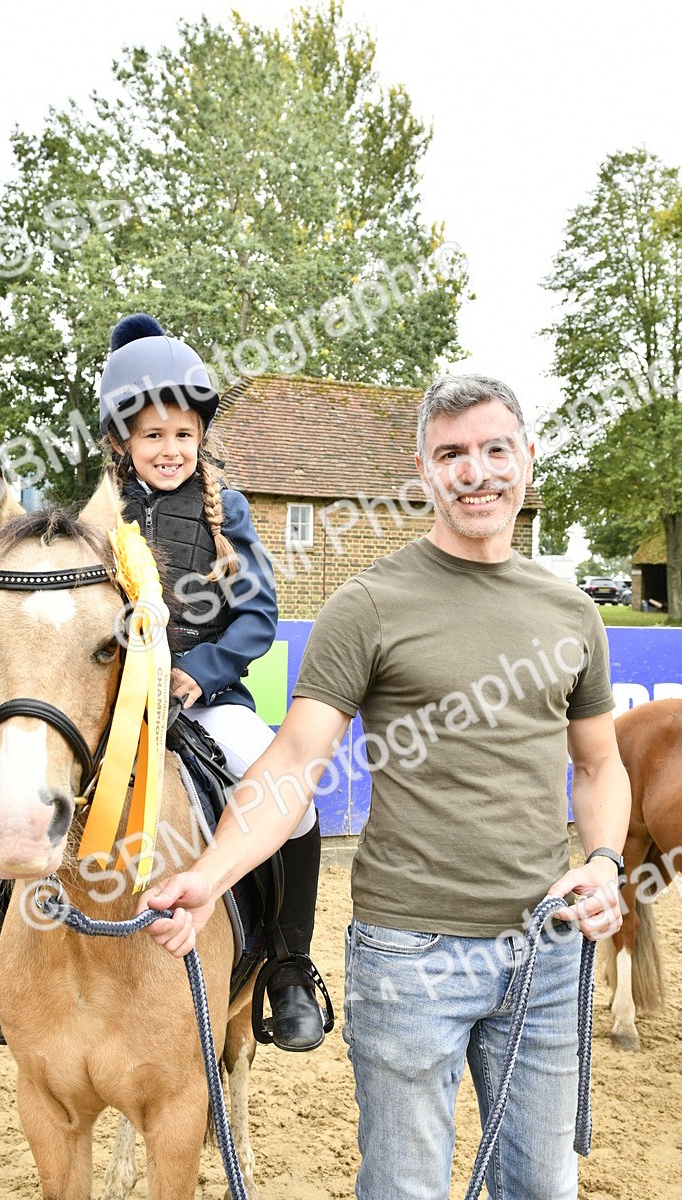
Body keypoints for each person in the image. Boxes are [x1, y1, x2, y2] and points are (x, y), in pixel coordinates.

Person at [138, 375, 631, 1200]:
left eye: (494, 449)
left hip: (547, 952)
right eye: (451, 455)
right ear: (424, 471)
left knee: (543, 1189)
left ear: (527, 457)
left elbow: (598, 766)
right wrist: (210, 877)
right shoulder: (367, 605)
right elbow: (294, 762)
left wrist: (609, 862)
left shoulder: (574, 613)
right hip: (411, 960)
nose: (476, 473)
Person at [0, 313, 327, 1054]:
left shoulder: (229, 509)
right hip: (113, 713)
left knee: (294, 803)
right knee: (15, 801)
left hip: (208, 704)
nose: (170, 450)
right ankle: (7, 972)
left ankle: (288, 968)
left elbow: (258, 614)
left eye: (183, 435)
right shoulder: (99, 516)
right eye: (153, 437)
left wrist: (201, 671)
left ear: (201, 437)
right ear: (122, 442)